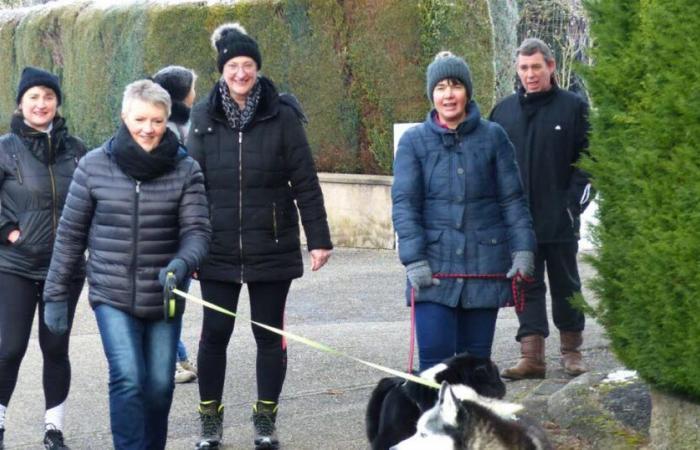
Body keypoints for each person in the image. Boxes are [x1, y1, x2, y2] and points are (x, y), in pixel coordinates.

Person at [43, 79, 211, 450]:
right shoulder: (93, 166)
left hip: (164, 295)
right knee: (128, 377)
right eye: (140, 119)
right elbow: (70, 236)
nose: (147, 129)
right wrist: (55, 294)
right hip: (111, 293)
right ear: (124, 116)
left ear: (167, 120)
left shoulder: (186, 170)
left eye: (156, 120)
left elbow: (198, 232)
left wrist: (182, 264)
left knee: (159, 385)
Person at [187, 22, 333, 450]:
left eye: (248, 65)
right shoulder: (203, 116)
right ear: (222, 70)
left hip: (271, 242)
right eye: (233, 65)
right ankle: (210, 420)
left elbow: (305, 180)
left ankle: (265, 418)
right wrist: (188, 243)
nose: (240, 73)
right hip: (216, 247)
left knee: (268, 336)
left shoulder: (283, 115)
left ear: (257, 68)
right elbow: (191, 185)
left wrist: (319, 238)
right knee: (214, 334)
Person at [392, 52, 536, 374]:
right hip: (432, 271)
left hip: (483, 267)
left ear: (467, 91)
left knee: (475, 368)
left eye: (455, 85)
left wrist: (523, 249)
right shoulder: (413, 143)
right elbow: (404, 205)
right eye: (441, 87)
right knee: (435, 368)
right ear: (432, 94)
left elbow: (512, 200)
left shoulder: (494, 137)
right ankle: (433, 425)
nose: (448, 94)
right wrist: (413, 259)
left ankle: (470, 426)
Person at [489, 38, 593, 379]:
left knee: (567, 286)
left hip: (560, 220)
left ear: (550, 66)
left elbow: (591, 159)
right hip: (519, 223)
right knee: (526, 287)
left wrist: (572, 204)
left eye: (536, 67)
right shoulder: (502, 113)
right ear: (516, 70)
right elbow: (490, 165)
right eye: (523, 68)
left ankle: (572, 351)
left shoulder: (573, 108)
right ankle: (532, 357)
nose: (530, 74)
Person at [0, 66, 86, 450]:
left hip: (64, 268)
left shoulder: (76, 149)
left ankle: (54, 429)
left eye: (48, 97)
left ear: (57, 102)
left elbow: (95, 200)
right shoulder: (5, 148)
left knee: (55, 349)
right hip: (14, 265)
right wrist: (6, 230)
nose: (41, 103)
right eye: (33, 97)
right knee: (9, 348)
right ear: (20, 103)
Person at [152, 65, 199, 384]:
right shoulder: (178, 130)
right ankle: (168, 360)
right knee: (169, 300)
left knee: (170, 300)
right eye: (193, 87)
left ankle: (176, 356)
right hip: (171, 232)